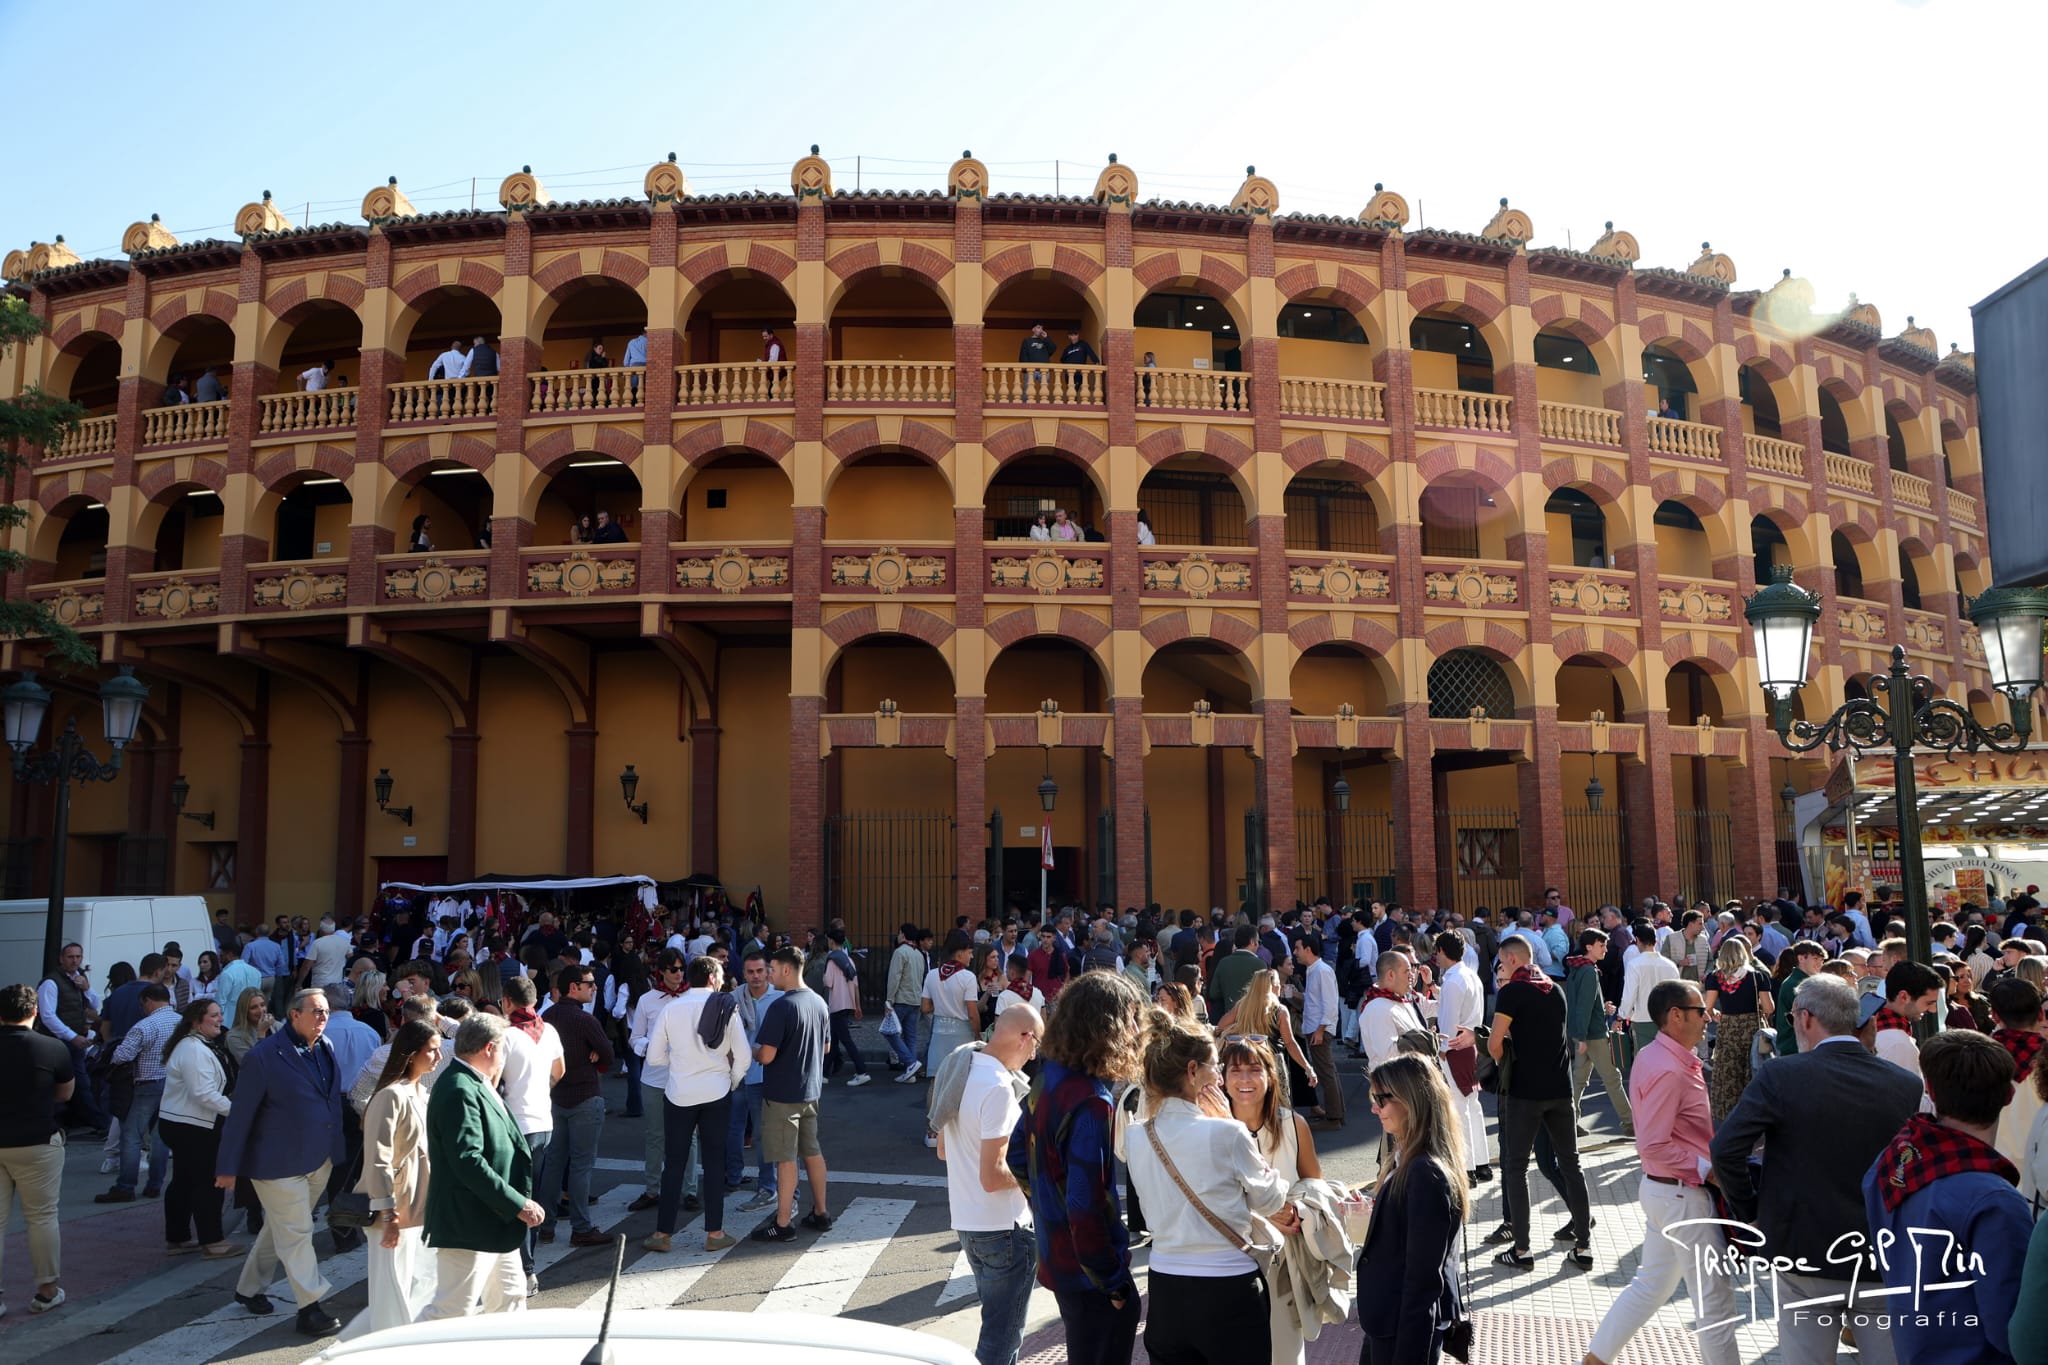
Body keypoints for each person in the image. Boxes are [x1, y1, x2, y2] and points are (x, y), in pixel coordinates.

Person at [1710, 973, 1920, 1365]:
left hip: (1803, 1250)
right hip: (1879, 1251)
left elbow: (1725, 1149)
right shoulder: (1905, 1084)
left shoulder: (1782, 1075)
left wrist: (1750, 1212)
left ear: (1805, 1019)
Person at [1124, 1013, 1297, 1365]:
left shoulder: (1136, 1135)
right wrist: (1233, 1128)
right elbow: (1270, 1199)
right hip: (1227, 1284)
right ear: (1192, 1071)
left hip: (1166, 1284)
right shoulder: (1227, 1133)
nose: (1218, 1076)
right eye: (1214, 1067)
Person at [1583, 980, 1738, 1365]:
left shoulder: (1658, 1055)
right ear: (1675, 1016)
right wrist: (1709, 1170)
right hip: (1682, 1195)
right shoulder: (1669, 1065)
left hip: (1667, 1192)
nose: (1707, 1017)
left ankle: (1596, 1360)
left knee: (1651, 1286)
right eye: (1700, 1011)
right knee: (1714, 1304)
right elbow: (1653, 1144)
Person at [1863, 1029, 2030, 1365]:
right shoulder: (1996, 1201)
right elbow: (2009, 1328)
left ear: (1930, 1089)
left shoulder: (1892, 1161)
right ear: (2009, 1095)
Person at [1010, 971, 1148, 1365]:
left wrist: (1048, 1203)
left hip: (1058, 1257)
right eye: (1132, 1019)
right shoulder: (1091, 1101)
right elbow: (1085, 1204)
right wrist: (1114, 1283)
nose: (1137, 1029)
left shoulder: (1051, 1075)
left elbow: (1017, 1155)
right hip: (1091, 1272)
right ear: (1109, 1026)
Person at [214, 988, 348, 1337]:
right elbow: (240, 1115)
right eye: (316, 1011)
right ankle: (310, 1306)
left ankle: (248, 1289)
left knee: (283, 1228)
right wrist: (227, 1167)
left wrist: (337, 1149)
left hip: (320, 1158)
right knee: (298, 1232)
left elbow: (330, 1099)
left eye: (326, 1012)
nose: (323, 1017)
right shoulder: (263, 1057)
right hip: (276, 1162)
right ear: (293, 1015)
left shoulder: (326, 1047)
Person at [939, 1003, 1041, 1365]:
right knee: (1001, 1340)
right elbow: (993, 1175)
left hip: (969, 1222)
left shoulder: (959, 1070)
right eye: (1035, 1045)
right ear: (1024, 1037)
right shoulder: (998, 1087)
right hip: (1004, 1227)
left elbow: (942, 1149)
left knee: (996, 1329)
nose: (1034, 1055)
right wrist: (1037, 1170)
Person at [421, 1013, 541, 1318]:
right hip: (469, 1220)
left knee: (510, 1297)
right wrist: (517, 1203)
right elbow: (468, 1159)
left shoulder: (477, 1082)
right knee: (451, 1311)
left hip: (493, 1219)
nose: (504, 1058)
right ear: (489, 1048)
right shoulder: (460, 1089)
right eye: (502, 1049)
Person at [1487, 936, 1592, 1271]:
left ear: (1513, 958)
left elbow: (1494, 1043)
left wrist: (1506, 1061)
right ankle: (1584, 1247)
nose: (1500, 967)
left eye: (1502, 962)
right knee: (1571, 1164)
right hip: (1560, 1088)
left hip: (1525, 1091)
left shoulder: (1512, 992)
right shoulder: (1555, 989)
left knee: (1516, 1167)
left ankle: (1522, 1250)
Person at [1355, 1054, 1467, 1365]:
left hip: (1402, 1332)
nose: (1374, 1108)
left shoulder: (1424, 1172)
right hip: (1389, 1323)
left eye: (1381, 1099)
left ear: (1413, 1100)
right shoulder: (1407, 1157)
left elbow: (1422, 1283)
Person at [1220, 1036, 1321, 1365]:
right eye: (1235, 1070)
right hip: (1228, 1264)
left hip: (1285, 1264)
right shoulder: (1211, 1130)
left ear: (1270, 1075)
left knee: (1285, 1354)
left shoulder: (1294, 1124)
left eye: (1254, 1069)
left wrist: (1296, 1208)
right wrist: (1263, 1213)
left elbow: (1317, 1189)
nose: (1245, 1079)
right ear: (1222, 1076)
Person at [643, 955, 748, 1254]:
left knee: (673, 1164)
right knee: (715, 1163)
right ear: (714, 978)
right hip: (716, 1091)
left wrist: (677, 1063)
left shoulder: (671, 1008)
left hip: (679, 1093)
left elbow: (654, 1058)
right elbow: (742, 1055)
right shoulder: (727, 1007)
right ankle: (715, 1233)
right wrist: (733, 1080)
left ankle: (662, 1233)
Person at [341, 1019, 437, 1339]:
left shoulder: (421, 1091)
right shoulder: (390, 1096)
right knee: (390, 1288)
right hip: (393, 1207)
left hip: (418, 1203)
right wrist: (388, 1211)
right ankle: (385, 1348)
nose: (438, 1057)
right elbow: (378, 1157)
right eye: (432, 1051)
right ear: (411, 1054)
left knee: (415, 1283)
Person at [0, 982, 74, 1317]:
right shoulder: (52, 1048)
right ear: (34, 1012)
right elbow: (65, 1094)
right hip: (37, 1141)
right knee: (42, 1217)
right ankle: (46, 1290)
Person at [751, 946, 834, 1240]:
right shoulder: (819, 1003)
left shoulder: (782, 1006)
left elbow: (766, 1056)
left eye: (771, 969)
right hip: (810, 1091)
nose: (769, 975)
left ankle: (784, 1223)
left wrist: (751, 1048)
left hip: (783, 1094)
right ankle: (821, 1212)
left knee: (785, 1159)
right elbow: (825, 1048)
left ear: (786, 969)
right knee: (812, 1151)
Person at [533, 964, 612, 1248]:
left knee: (554, 1163)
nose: (594, 987)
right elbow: (609, 1055)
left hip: (555, 1098)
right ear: (573, 987)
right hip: (585, 1097)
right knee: (580, 1166)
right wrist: (596, 1057)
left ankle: (546, 1225)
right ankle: (581, 1227)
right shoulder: (585, 1020)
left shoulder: (547, 1017)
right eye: (589, 983)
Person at [496, 975, 565, 1287]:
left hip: (515, 1124)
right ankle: (527, 1264)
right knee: (533, 1195)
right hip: (543, 1121)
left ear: (507, 1002)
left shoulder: (506, 1035)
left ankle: (524, 1269)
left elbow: (493, 1079)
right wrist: (542, 1090)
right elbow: (559, 1070)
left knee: (516, 1200)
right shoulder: (548, 1030)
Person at [158, 998, 236, 1257]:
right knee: (206, 1182)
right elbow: (203, 1093)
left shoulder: (196, 1045)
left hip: (186, 1123)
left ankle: (177, 1238)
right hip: (192, 1126)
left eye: (220, 1014)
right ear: (196, 1021)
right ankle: (212, 1242)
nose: (220, 1019)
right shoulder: (192, 1048)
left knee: (184, 1180)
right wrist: (236, 1111)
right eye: (213, 1015)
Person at [99, 982, 177, 1202]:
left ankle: (126, 1186)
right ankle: (154, 1184)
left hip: (146, 1084)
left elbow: (121, 1056)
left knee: (132, 1136)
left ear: (148, 1001)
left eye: (143, 1004)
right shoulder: (182, 1022)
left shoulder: (144, 1026)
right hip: (172, 1084)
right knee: (161, 1137)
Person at [627, 949, 689, 1214]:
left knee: (689, 1136)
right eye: (673, 969)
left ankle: (690, 1190)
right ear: (661, 971)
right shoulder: (647, 1000)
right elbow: (634, 1037)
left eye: (681, 968)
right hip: (654, 1078)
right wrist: (651, 1047)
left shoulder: (692, 998)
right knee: (655, 1135)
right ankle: (652, 1189)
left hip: (686, 1078)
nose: (678, 974)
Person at [1565, 928, 1633, 1136]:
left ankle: (1569, 1121)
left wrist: (1603, 1009)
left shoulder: (1578, 968)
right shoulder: (1588, 970)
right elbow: (1584, 1007)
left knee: (1579, 1079)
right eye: (1601, 945)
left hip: (1584, 1032)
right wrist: (1583, 1037)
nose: (1605, 949)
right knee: (1612, 1078)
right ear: (1589, 947)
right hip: (1592, 1034)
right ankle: (1630, 1123)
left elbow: (1581, 1004)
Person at [1216, 967, 1316, 1107]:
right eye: (1277, 982)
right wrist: (1307, 1067)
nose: (1280, 986)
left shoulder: (1242, 1006)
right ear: (1272, 985)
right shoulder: (1280, 1011)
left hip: (1247, 1060)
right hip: (1272, 1063)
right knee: (1277, 1109)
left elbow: (1220, 1026)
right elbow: (1290, 1043)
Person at [1700, 935, 1773, 1122]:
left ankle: (1729, 1114)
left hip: (1728, 1027)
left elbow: (1707, 1006)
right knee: (1754, 1067)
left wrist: (1717, 1013)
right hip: (1752, 1027)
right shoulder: (1758, 976)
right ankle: (1756, 1112)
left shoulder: (1715, 978)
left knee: (1728, 1071)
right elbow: (1769, 1008)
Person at [731, 950, 784, 1202]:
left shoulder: (781, 998)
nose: (755, 976)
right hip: (740, 1072)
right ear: (743, 973)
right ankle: (735, 1176)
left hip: (769, 1073)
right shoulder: (733, 999)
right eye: (750, 972)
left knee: (766, 1133)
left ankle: (770, 1185)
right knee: (736, 1126)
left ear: (768, 972)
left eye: (759, 971)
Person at [38, 942, 105, 1132]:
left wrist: (87, 988)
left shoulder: (79, 979)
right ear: (61, 959)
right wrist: (72, 1036)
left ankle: (91, 1122)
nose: (75, 961)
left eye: (78, 957)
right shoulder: (51, 982)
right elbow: (48, 1016)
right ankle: (96, 1123)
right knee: (67, 1082)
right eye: (70, 957)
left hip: (74, 1040)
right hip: (57, 1041)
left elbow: (94, 1004)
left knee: (79, 1081)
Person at [1290, 938, 1340, 1126]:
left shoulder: (1322, 971)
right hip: (1316, 1027)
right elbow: (1317, 1001)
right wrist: (1296, 995)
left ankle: (1334, 1117)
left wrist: (1320, 1030)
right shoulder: (1315, 970)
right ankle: (1336, 1114)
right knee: (1328, 1072)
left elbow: (1330, 1004)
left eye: (1297, 948)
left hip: (1319, 1029)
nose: (1295, 952)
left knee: (1326, 1073)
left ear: (1308, 949)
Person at [1869, 958, 1943, 1080]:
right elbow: (1908, 1097)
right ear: (1904, 996)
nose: (1932, 1010)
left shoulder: (1870, 1024)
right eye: (1928, 1003)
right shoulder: (1899, 1044)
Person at [923, 929, 983, 1076]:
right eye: (970, 952)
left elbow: (925, 1008)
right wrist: (978, 1036)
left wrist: (941, 1004)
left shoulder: (932, 974)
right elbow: (973, 1014)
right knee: (961, 1079)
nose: (972, 956)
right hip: (962, 1035)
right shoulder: (968, 977)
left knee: (937, 1080)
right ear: (960, 953)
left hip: (938, 1033)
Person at [821, 928, 870, 1086]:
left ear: (831, 941)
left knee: (844, 1040)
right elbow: (855, 984)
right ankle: (823, 1073)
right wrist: (857, 1005)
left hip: (836, 1003)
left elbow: (828, 982)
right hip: (848, 1002)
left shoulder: (831, 959)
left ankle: (861, 1070)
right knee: (834, 1039)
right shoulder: (849, 960)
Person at [884, 924, 926, 1082]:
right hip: (915, 999)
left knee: (889, 1032)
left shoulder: (900, 952)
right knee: (911, 1036)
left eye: (899, 932)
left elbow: (894, 977)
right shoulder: (919, 954)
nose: (898, 935)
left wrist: (889, 999)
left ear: (903, 935)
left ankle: (910, 1063)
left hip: (901, 999)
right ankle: (911, 1072)